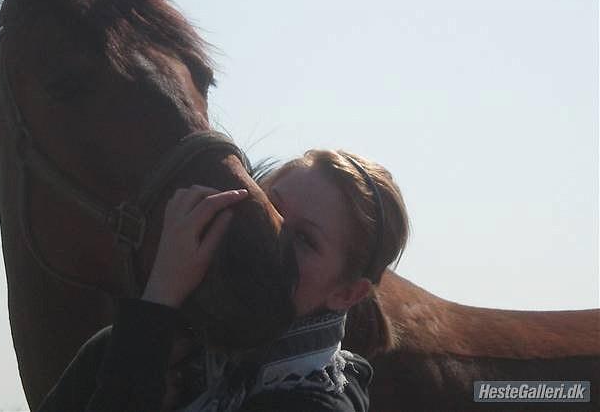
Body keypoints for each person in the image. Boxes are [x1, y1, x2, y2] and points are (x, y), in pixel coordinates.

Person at [38, 149, 410, 412]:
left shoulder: (313, 402)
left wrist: (160, 301)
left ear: (348, 292)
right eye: (271, 209)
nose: (272, 239)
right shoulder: (128, 347)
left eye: (304, 240)